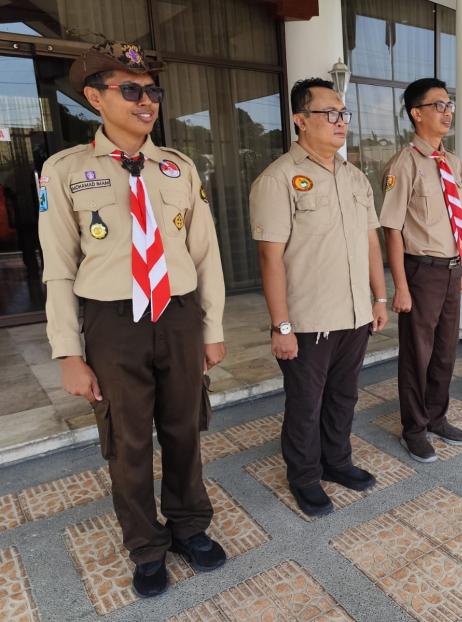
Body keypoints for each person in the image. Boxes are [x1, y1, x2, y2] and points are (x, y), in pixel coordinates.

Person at [38, 41, 227, 598]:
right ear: (95, 97)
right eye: (130, 90)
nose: (146, 102)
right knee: (127, 441)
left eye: (152, 91)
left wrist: (212, 329)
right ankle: (146, 546)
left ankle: (190, 526)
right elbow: (58, 269)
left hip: (178, 315)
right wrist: (68, 353)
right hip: (112, 322)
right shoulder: (65, 171)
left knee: (185, 430)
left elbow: (205, 254)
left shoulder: (179, 167)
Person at [250, 78, 388, 517]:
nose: (340, 121)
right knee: (306, 405)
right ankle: (304, 476)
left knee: (344, 396)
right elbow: (271, 260)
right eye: (329, 113)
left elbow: (370, 242)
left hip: (354, 314)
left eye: (343, 113)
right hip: (308, 320)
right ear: (300, 119)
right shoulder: (278, 179)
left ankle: (337, 462)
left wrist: (379, 299)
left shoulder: (354, 177)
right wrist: (281, 325)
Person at [380, 77, 462, 463]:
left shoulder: (453, 164)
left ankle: (437, 416)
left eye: (449, 104)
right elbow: (392, 228)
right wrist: (400, 285)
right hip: (421, 271)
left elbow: (457, 220)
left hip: (450, 269)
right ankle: (413, 429)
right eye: (438, 105)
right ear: (416, 114)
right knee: (417, 354)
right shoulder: (403, 164)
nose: (447, 112)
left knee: (446, 351)